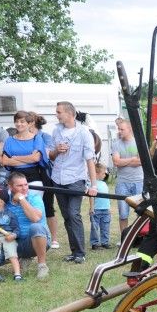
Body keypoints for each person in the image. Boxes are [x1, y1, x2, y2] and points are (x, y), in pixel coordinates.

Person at [47, 101, 98, 264]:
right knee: (66, 216)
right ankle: (74, 251)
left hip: (76, 179)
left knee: (74, 214)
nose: (56, 114)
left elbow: (90, 160)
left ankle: (81, 253)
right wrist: (56, 151)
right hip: (57, 179)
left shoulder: (84, 133)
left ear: (69, 113)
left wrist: (93, 185)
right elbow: (51, 156)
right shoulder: (56, 131)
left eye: (59, 112)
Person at [0, 172, 51, 279]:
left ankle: (42, 266)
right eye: (20, 185)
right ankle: (22, 258)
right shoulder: (4, 200)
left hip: (33, 240)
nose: (24, 188)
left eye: (26, 184)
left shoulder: (34, 198)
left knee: (36, 227)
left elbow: (35, 218)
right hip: (12, 242)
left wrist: (22, 199)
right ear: (10, 186)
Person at [27, 113, 59, 248]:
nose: (22, 124)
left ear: (32, 123)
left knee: (48, 207)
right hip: (28, 175)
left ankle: (54, 239)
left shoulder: (45, 137)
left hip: (44, 175)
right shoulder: (22, 137)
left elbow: (45, 156)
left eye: (26, 121)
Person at [111, 117, 144, 234]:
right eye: (119, 129)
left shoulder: (139, 143)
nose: (119, 131)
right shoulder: (116, 144)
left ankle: (138, 236)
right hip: (122, 182)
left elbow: (141, 161)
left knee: (140, 212)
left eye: (122, 129)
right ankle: (124, 237)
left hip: (138, 181)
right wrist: (132, 159)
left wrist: (123, 161)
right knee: (123, 213)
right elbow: (116, 162)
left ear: (129, 129)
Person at [88, 163, 111, 250]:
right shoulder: (93, 184)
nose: (105, 175)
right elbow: (91, 197)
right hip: (96, 210)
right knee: (95, 227)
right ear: (96, 174)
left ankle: (105, 242)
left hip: (105, 210)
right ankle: (95, 243)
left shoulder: (104, 184)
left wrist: (109, 207)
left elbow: (107, 197)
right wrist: (92, 207)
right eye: (103, 173)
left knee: (105, 227)